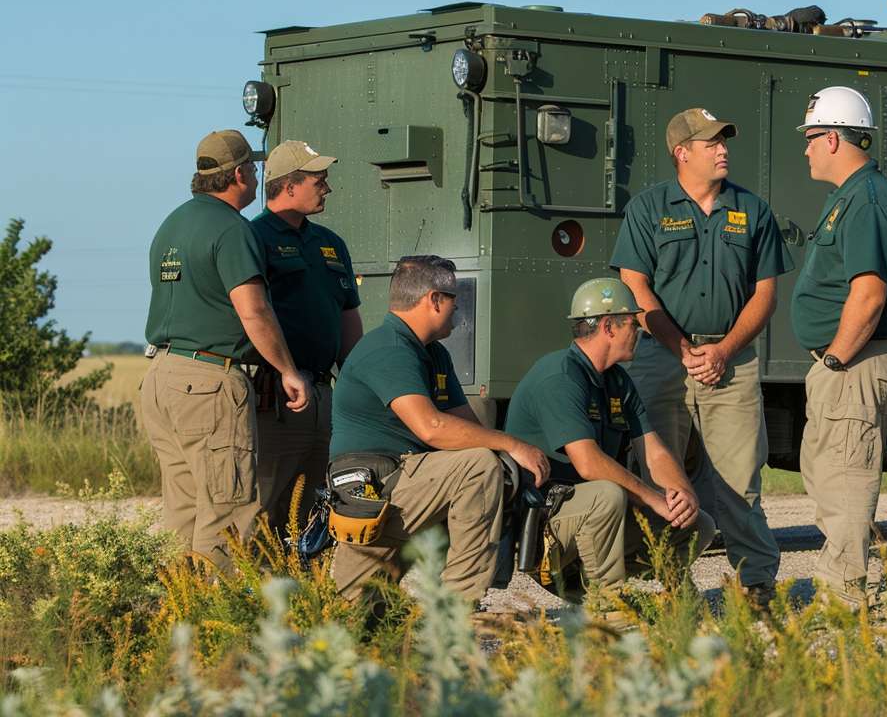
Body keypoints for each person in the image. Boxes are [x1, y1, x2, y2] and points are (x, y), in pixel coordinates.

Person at [610, 107, 792, 602]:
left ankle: (756, 585)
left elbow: (766, 294)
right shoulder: (647, 209)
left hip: (732, 361)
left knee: (739, 481)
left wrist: (724, 350)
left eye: (724, 141)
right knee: (661, 478)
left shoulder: (752, 210)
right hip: (660, 357)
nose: (723, 149)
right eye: (712, 143)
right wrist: (683, 348)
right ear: (682, 153)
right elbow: (635, 286)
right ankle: (673, 583)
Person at [328, 255, 550, 604]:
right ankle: (457, 607)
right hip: (375, 485)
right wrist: (514, 445)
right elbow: (431, 428)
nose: (458, 309)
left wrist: (510, 459)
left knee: (490, 463)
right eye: (453, 300)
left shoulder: (434, 355)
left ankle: (453, 603)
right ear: (434, 300)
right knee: (353, 612)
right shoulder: (388, 347)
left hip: (409, 482)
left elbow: (468, 428)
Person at [139, 129, 311, 565]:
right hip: (209, 383)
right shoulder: (232, 229)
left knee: (183, 511)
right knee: (228, 511)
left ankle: (178, 601)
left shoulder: (171, 224)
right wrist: (288, 370)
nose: (256, 177)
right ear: (239, 174)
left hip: (160, 377)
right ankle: (218, 605)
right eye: (252, 168)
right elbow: (254, 311)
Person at [504, 277, 716, 600]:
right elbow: (588, 463)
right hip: (546, 523)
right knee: (608, 494)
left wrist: (682, 494)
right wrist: (653, 499)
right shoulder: (560, 376)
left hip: (592, 515)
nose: (639, 332)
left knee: (698, 523)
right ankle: (607, 603)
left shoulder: (616, 380)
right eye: (632, 323)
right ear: (608, 327)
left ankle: (675, 598)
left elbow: (654, 452)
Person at [790, 87, 887, 606]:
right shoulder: (851, 196)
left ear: (834, 139)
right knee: (830, 474)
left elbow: (869, 293)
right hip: (849, 361)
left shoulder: (867, 200)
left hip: (857, 361)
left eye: (811, 137)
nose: (806, 148)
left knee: (846, 479)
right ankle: (842, 587)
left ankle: (842, 597)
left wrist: (837, 358)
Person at [250, 140, 363, 532]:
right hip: (276, 396)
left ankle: (303, 570)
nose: (327, 188)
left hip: (322, 392)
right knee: (264, 502)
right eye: (319, 180)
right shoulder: (253, 238)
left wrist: (356, 383)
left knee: (315, 504)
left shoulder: (330, 243)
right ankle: (256, 571)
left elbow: (348, 316)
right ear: (289, 185)